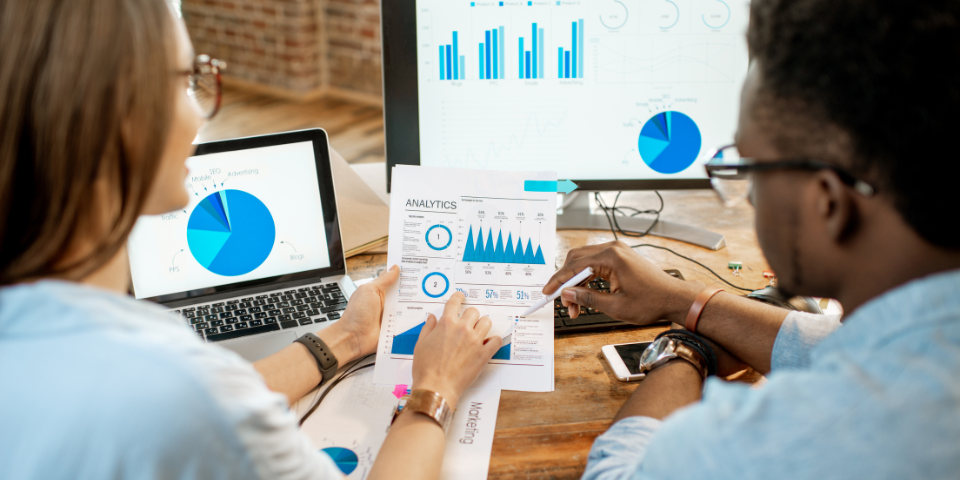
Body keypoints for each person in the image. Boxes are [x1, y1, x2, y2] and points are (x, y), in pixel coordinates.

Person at [0, 1, 502, 479]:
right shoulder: (177, 391)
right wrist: (435, 388)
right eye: (187, 81)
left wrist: (347, 337)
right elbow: (208, 405)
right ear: (121, 118)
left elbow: (225, 397)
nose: (198, 116)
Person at [544, 0, 960, 478]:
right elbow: (835, 344)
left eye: (750, 167)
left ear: (826, 201)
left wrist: (683, 353)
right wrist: (681, 299)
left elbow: (615, 474)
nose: (749, 198)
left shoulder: (819, 428)